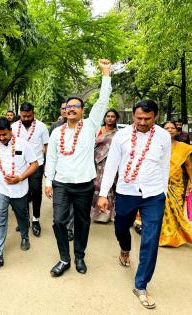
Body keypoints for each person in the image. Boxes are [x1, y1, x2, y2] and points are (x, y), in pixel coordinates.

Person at [97, 100, 171, 309]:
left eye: (147, 118)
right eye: (139, 118)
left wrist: (163, 192)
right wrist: (103, 194)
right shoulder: (121, 136)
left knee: (150, 238)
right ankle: (125, 248)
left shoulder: (163, 136)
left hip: (154, 194)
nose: (142, 122)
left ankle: (141, 285)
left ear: (155, 116)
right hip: (126, 191)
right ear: (134, 116)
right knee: (121, 227)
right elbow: (111, 165)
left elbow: (164, 166)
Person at [45, 59, 112, 277]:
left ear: (83, 111)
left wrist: (106, 73)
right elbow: (52, 158)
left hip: (84, 184)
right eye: (68, 107)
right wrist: (48, 181)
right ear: (64, 112)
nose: (71, 109)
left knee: (83, 222)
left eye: (76, 106)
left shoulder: (91, 125)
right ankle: (65, 258)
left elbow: (102, 101)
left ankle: (80, 256)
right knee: (58, 221)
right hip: (62, 183)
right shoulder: (56, 132)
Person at [0, 118, 39, 272]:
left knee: (22, 216)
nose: (1, 138)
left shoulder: (23, 145)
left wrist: (21, 177)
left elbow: (35, 164)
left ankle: (24, 236)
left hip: (20, 190)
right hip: (0, 189)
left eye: (4, 135)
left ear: (10, 130)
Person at [12, 102, 49, 237]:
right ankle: (25, 220)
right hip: (20, 165)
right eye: (23, 116)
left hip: (37, 164)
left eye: (29, 116)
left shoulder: (41, 127)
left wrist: (48, 166)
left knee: (36, 191)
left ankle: (36, 220)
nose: (26, 119)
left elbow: (46, 147)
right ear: (20, 115)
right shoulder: (14, 127)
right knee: (22, 193)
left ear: (33, 113)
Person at [159, 121, 192, 247]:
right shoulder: (157, 145)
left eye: (173, 128)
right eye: (167, 127)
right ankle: (164, 235)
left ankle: (175, 235)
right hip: (159, 182)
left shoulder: (183, 147)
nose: (170, 130)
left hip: (176, 182)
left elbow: (189, 166)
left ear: (177, 131)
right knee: (162, 208)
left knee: (176, 209)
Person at [49, 102, 74, 241]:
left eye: (68, 108)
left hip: (74, 173)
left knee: (72, 204)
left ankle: (69, 229)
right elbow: (51, 152)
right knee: (60, 202)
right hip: (58, 173)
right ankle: (60, 224)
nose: (66, 110)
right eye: (63, 108)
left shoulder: (81, 127)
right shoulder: (55, 127)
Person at [91, 109, 119, 223]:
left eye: (113, 116)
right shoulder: (97, 130)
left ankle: (106, 214)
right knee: (96, 186)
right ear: (104, 118)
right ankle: (95, 214)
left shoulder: (118, 133)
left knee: (108, 187)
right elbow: (91, 144)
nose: (110, 118)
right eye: (108, 116)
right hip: (95, 162)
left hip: (111, 163)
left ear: (116, 118)